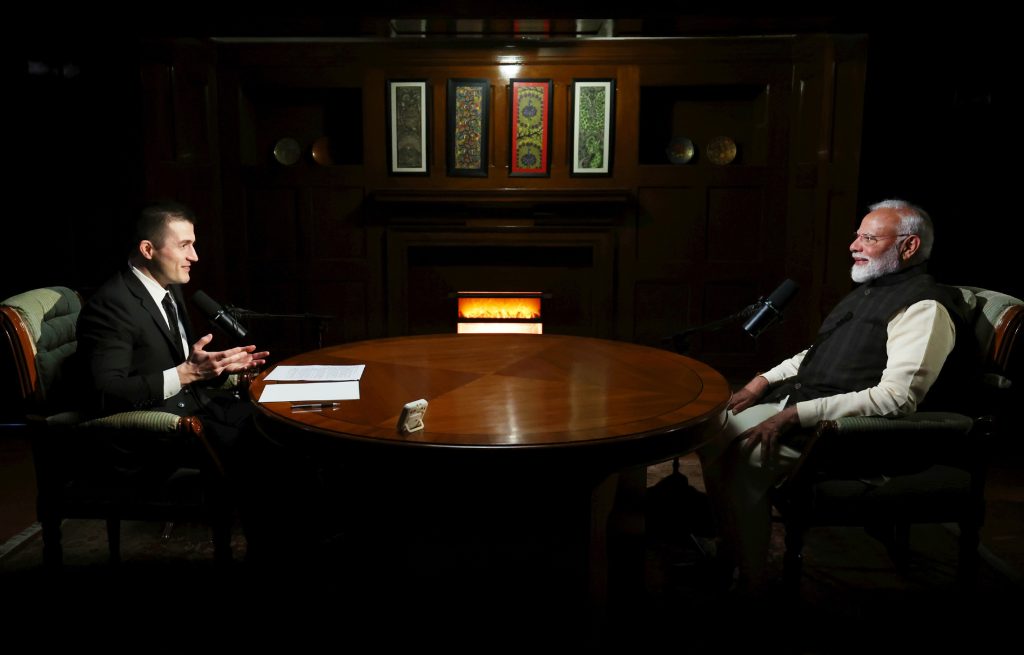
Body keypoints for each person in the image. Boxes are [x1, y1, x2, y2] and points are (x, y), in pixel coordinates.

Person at [698, 199, 971, 590]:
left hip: (857, 436)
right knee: (710, 433)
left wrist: (794, 415)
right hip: (805, 407)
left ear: (909, 246)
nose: (854, 245)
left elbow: (897, 398)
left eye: (869, 238)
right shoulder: (869, 291)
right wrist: (763, 380)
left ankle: (752, 584)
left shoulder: (924, 308)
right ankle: (731, 551)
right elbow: (817, 353)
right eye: (858, 236)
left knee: (745, 455)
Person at [75, 200, 306, 561]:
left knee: (280, 423)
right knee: (266, 453)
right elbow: (104, 391)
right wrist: (186, 374)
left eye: (193, 245)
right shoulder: (112, 305)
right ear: (148, 249)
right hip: (158, 433)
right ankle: (275, 555)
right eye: (184, 245)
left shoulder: (169, 287)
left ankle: (298, 542)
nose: (194, 256)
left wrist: (219, 367)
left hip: (198, 406)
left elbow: (182, 364)